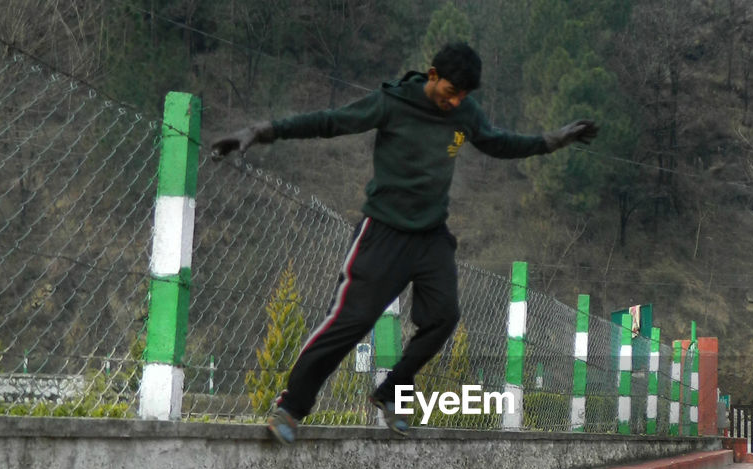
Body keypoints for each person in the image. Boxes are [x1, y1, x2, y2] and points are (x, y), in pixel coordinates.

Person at [211, 42, 598, 444]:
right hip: (383, 233)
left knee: (443, 317)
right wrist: (261, 131)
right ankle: (292, 406)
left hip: (431, 236)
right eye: (451, 91)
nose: (456, 101)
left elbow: (498, 142)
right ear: (432, 75)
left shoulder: (464, 113)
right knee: (350, 322)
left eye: (464, 95)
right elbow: (330, 121)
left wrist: (551, 141)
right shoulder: (392, 102)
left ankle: (393, 391)